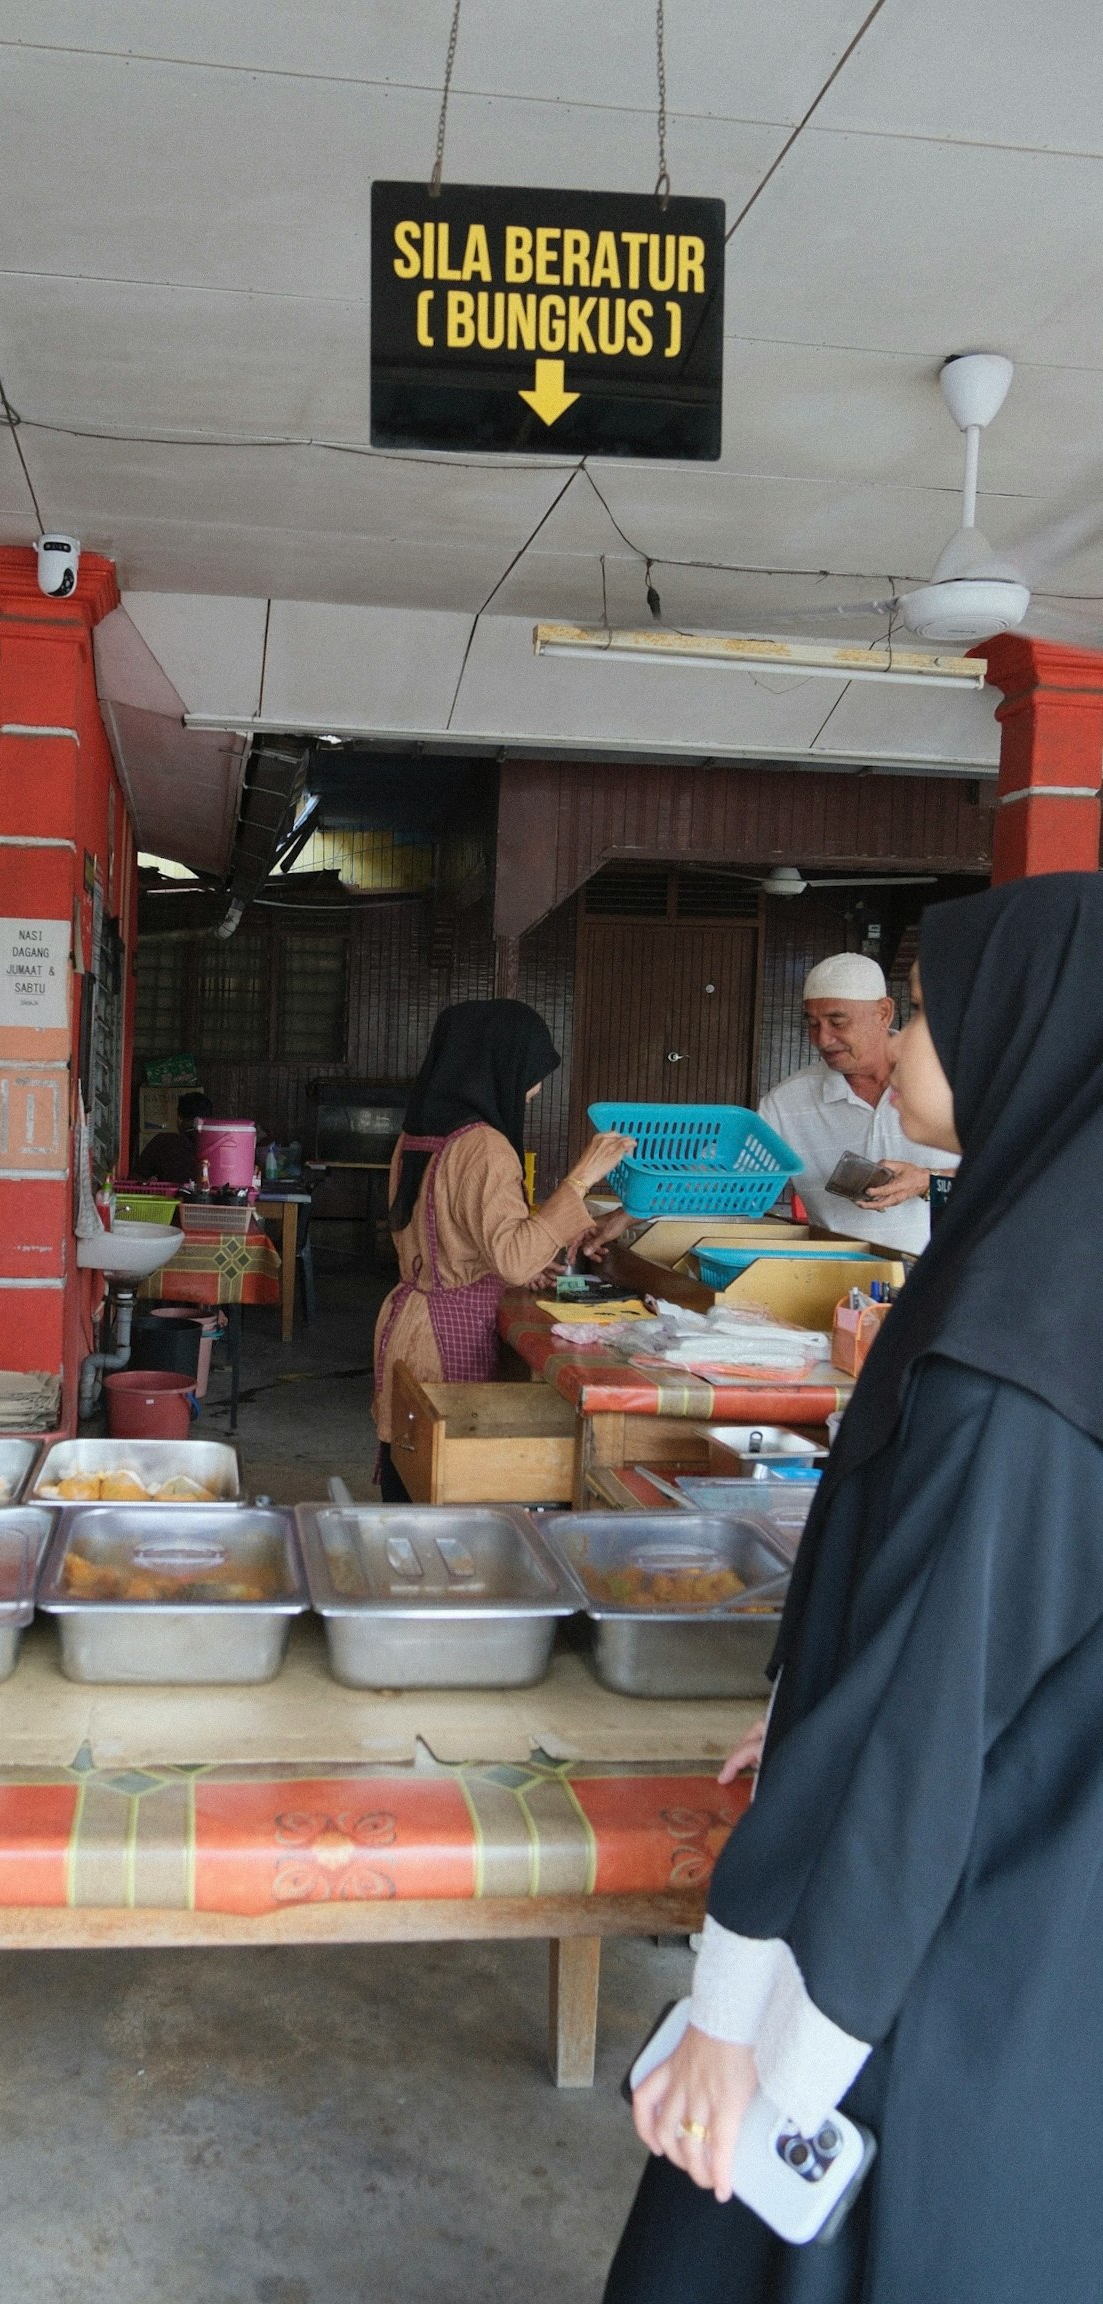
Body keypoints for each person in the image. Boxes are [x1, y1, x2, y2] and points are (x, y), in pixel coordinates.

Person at [604, 873, 1103, 2304]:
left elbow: (925, 1716)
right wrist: (815, 1699)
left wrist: (735, 2020)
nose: (900, 1054)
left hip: (925, 1963)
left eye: (934, 1016)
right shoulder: (1044, 1268)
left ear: (1037, 1035)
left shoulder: (1012, 1352)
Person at [371, 999, 634, 1501]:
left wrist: (513, 1265)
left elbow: (455, 1235)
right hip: (449, 1338)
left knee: (409, 1477)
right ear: (502, 1062)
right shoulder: (484, 1146)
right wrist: (580, 1179)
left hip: (409, 1323)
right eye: (534, 1071)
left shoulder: (417, 1134)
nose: (534, 1088)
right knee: (448, 1493)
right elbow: (513, 1255)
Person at [758, 953, 956, 1253]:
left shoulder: (950, 1082)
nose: (823, 1039)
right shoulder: (786, 1104)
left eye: (837, 1022)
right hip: (834, 1279)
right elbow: (729, 1178)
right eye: (813, 1024)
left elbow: (1009, 1174)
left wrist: (927, 1180)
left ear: (884, 1013)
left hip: (943, 1277)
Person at [133, 1089, 213, 1185]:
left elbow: (135, 1178)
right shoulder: (220, 1147)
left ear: (179, 1119)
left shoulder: (164, 1142)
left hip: (169, 1198)